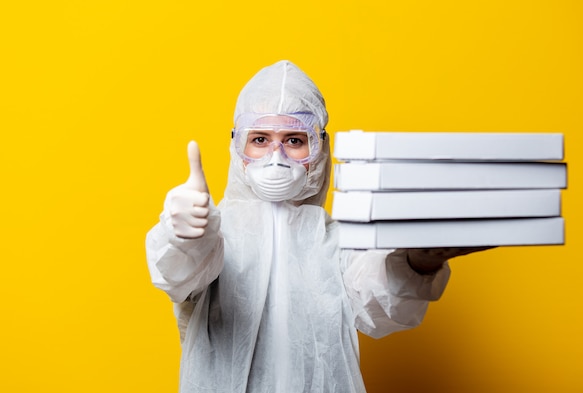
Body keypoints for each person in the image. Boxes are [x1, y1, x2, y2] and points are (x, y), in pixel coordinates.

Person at [146, 60, 491, 392]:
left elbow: (379, 311)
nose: (276, 156)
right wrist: (184, 236)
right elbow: (179, 276)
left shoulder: (339, 241)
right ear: (238, 146)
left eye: (294, 140)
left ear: (319, 148)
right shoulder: (215, 233)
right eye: (260, 139)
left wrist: (417, 262)